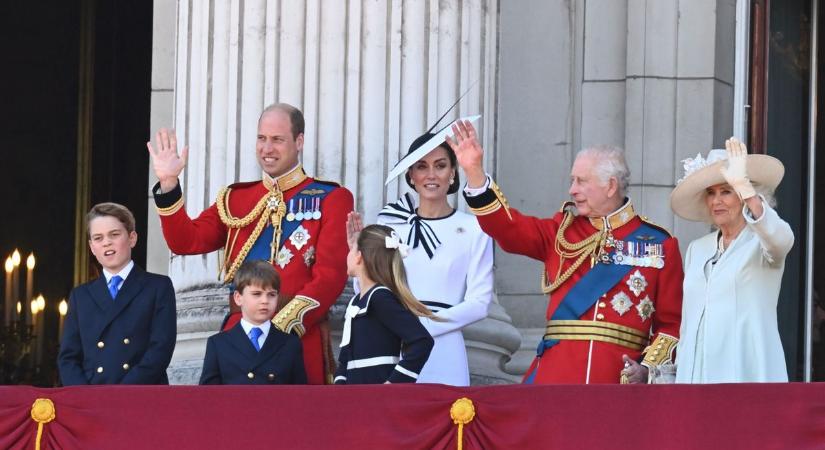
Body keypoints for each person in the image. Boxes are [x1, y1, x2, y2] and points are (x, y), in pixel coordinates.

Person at [449, 120, 684, 384]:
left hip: (618, 382)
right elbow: (506, 228)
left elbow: (670, 325)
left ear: (610, 186)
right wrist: (475, 173)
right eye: (572, 180)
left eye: (581, 181)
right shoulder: (560, 232)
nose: (572, 189)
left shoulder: (659, 244)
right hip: (556, 376)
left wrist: (647, 370)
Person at [147, 103, 353, 385]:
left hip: (297, 336)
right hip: (239, 341)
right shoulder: (235, 199)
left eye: (277, 139)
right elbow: (186, 241)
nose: (267, 148)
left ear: (299, 141)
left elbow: (330, 276)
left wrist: (280, 326)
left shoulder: (332, 198)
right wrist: (169, 185)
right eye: (261, 138)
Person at [368, 124, 493, 386]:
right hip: (395, 346)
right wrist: (357, 259)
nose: (431, 174)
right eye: (422, 166)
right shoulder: (390, 224)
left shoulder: (475, 228)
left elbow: (480, 303)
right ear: (411, 175)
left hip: (445, 348)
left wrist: (424, 328)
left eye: (440, 165)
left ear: (453, 172)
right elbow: (370, 289)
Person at [671, 137, 793, 383]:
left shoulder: (762, 242)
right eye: (711, 193)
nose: (717, 201)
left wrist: (745, 188)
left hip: (745, 371)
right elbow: (688, 322)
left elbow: (782, 239)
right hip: (695, 376)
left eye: (726, 191)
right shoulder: (698, 249)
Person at [58, 203, 177, 385]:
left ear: (132, 238)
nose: (106, 242)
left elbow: (160, 349)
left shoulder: (158, 287)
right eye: (98, 238)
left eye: (114, 234)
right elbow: (68, 358)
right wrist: (83, 397)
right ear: (91, 247)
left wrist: (121, 393)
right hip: (91, 401)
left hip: (140, 396)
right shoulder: (80, 296)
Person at [333, 225, 434, 384]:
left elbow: (422, 341)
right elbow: (346, 356)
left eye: (352, 249)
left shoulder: (380, 297)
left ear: (359, 256)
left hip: (379, 398)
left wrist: (392, 386)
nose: (348, 254)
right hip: (355, 398)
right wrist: (339, 389)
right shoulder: (357, 300)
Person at [199, 260, 306, 385]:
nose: (265, 301)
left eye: (271, 295)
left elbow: (299, 397)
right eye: (257, 294)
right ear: (238, 298)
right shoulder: (218, 344)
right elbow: (208, 397)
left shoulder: (290, 344)